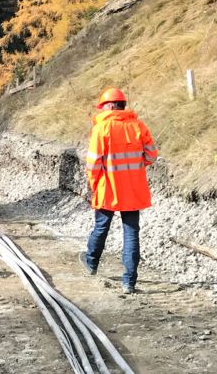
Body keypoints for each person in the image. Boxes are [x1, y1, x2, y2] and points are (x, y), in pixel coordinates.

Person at [79, 88, 158, 294]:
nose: (102, 109)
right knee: (131, 233)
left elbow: (93, 164)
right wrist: (134, 169)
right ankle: (129, 282)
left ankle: (91, 262)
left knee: (101, 226)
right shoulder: (138, 126)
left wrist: (95, 185)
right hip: (133, 188)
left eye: (103, 106)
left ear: (112, 105)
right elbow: (151, 155)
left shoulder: (102, 129)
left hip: (109, 188)